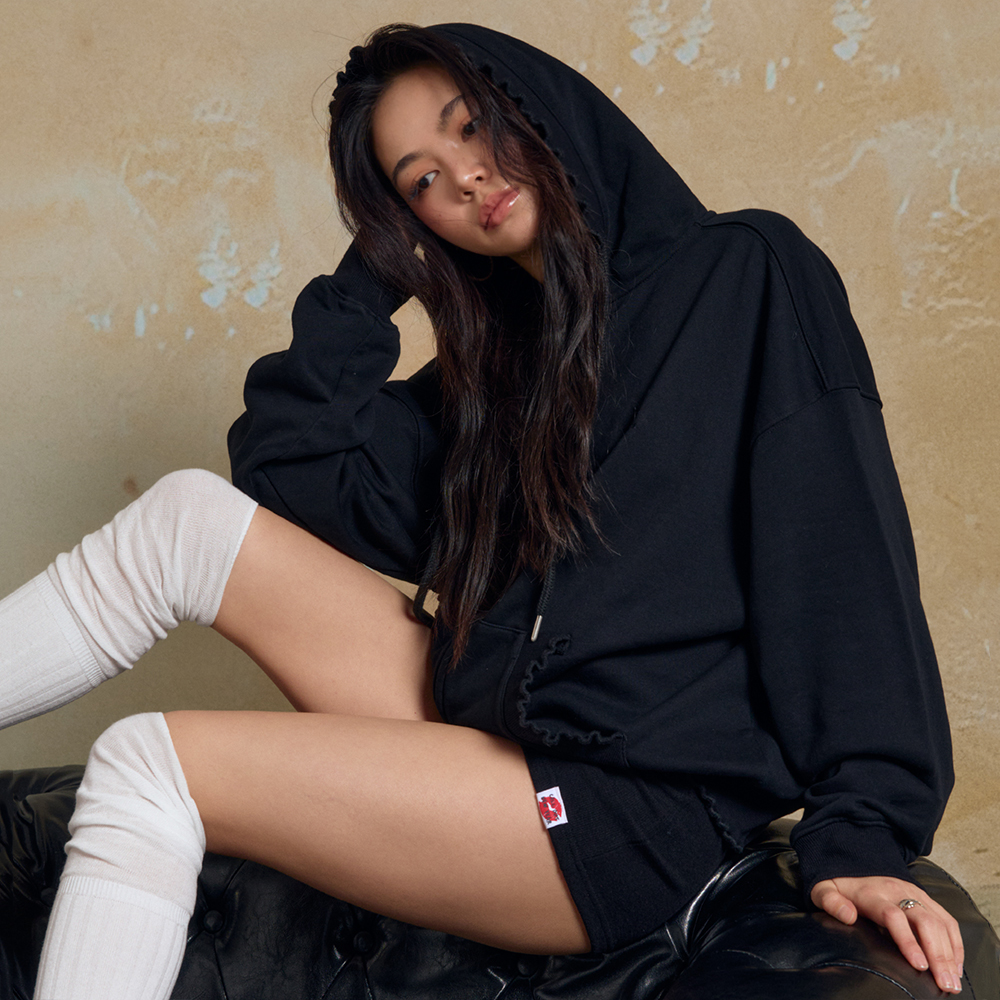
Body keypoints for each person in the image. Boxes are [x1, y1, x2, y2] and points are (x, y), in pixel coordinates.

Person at [0, 22, 964, 1000]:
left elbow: (841, 559)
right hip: (510, 733)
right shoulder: (502, 365)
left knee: (147, 764)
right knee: (186, 518)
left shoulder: (742, 274)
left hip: (628, 803)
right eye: (420, 180)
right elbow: (288, 459)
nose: (464, 177)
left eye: (472, 127)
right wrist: (379, 264)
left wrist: (864, 829)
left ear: (538, 106)